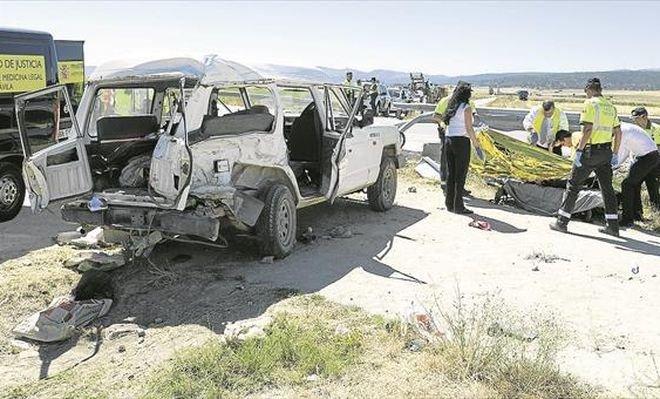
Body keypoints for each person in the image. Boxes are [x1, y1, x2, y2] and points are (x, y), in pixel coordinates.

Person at [550, 78, 622, 236]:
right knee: (607, 189)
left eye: (586, 91)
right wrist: (615, 153)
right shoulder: (611, 106)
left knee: (573, 185)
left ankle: (561, 222)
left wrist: (580, 151)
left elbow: (587, 130)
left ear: (589, 89)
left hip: (590, 152)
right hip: (605, 152)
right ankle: (613, 226)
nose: (586, 94)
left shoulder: (590, 104)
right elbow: (618, 132)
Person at [442, 82, 484, 214]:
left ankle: (450, 204)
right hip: (461, 142)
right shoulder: (466, 107)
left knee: (451, 174)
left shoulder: (452, 106)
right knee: (460, 175)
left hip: (449, 140)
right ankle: (459, 206)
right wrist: (476, 144)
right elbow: (469, 128)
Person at [615, 123, 660, 227]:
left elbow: (620, 152)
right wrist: (614, 165)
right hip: (651, 156)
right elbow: (625, 153)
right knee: (636, 184)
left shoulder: (622, 132)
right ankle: (637, 215)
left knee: (627, 184)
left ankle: (627, 219)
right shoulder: (626, 128)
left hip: (647, 158)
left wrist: (610, 167)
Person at [630, 107, 660, 210]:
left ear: (644, 117)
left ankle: (656, 212)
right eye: (634, 118)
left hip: (654, 163)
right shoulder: (635, 130)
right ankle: (637, 213)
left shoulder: (656, 129)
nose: (635, 121)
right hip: (638, 162)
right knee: (635, 186)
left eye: (637, 118)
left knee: (654, 189)